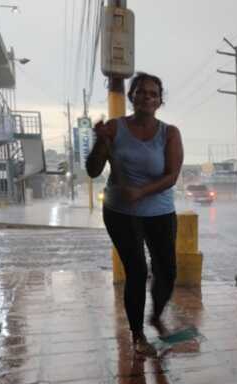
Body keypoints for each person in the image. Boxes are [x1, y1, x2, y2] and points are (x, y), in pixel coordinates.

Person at [85, 72, 184, 356]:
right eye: (141, 91)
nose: (146, 97)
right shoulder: (115, 129)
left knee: (167, 271)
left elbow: (172, 175)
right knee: (137, 271)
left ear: (159, 101)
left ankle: (156, 316)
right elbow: (93, 170)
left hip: (160, 211)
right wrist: (101, 142)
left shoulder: (170, 133)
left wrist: (142, 192)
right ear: (132, 96)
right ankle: (138, 333)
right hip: (120, 211)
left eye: (153, 93)